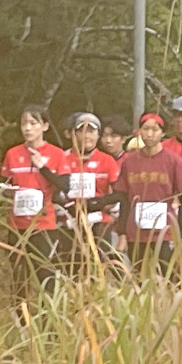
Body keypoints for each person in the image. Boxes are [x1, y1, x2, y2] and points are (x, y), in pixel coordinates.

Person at [112, 112, 182, 274]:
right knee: (138, 274)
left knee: (165, 274)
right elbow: (124, 200)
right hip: (136, 231)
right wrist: (122, 234)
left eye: (155, 130)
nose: (149, 134)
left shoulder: (173, 161)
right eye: (145, 129)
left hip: (164, 232)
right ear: (139, 131)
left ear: (163, 133)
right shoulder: (129, 162)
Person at [0, 103, 66, 300]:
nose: (27, 128)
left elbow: (65, 185)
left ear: (45, 126)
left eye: (33, 123)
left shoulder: (57, 154)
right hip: (17, 224)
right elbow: (4, 184)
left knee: (46, 275)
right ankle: (20, 315)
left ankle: (50, 315)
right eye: (24, 123)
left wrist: (44, 168)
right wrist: (8, 193)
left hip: (44, 224)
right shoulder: (12, 153)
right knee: (18, 276)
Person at [56, 111, 122, 264]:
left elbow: (119, 193)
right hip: (70, 219)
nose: (87, 136)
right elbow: (54, 190)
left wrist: (100, 203)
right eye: (82, 131)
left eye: (92, 131)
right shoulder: (63, 158)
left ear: (98, 135)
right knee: (71, 264)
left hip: (99, 219)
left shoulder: (107, 160)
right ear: (73, 134)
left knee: (99, 262)